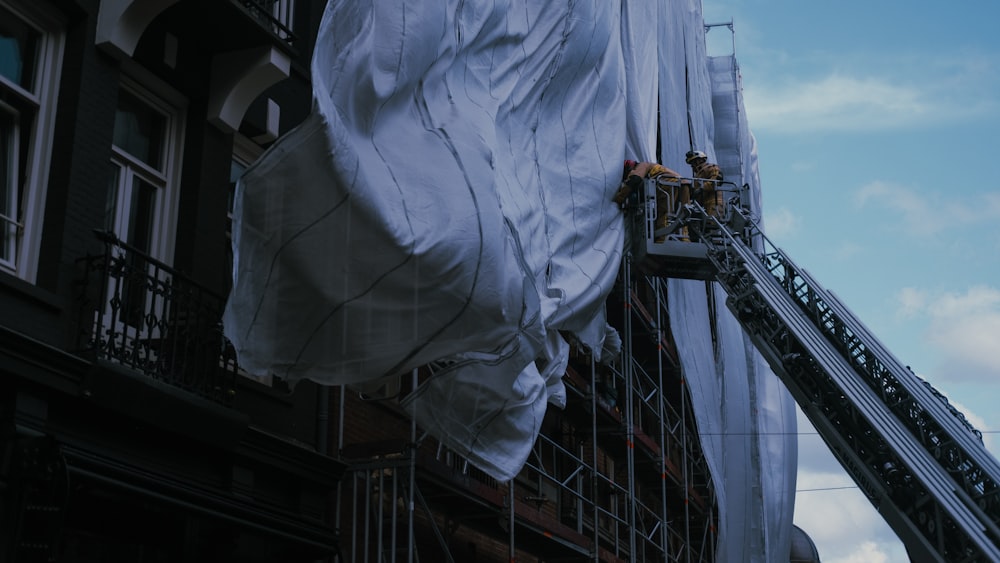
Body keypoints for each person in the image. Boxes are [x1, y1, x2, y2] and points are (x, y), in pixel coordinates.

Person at [613, 159, 689, 241]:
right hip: (683, 184)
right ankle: (684, 238)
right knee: (683, 214)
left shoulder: (642, 165)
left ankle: (662, 239)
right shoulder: (654, 167)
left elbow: (635, 178)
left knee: (665, 213)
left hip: (668, 184)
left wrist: (619, 198)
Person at [685, 150, 724, 218]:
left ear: (701, 160)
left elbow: (717, 180)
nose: (692, 165)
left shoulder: (712, 168)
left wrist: (701, 188)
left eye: (694, 162)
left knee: (712, 224)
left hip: (714, 203)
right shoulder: (697, 176)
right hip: (702, 205)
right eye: (691, 163)